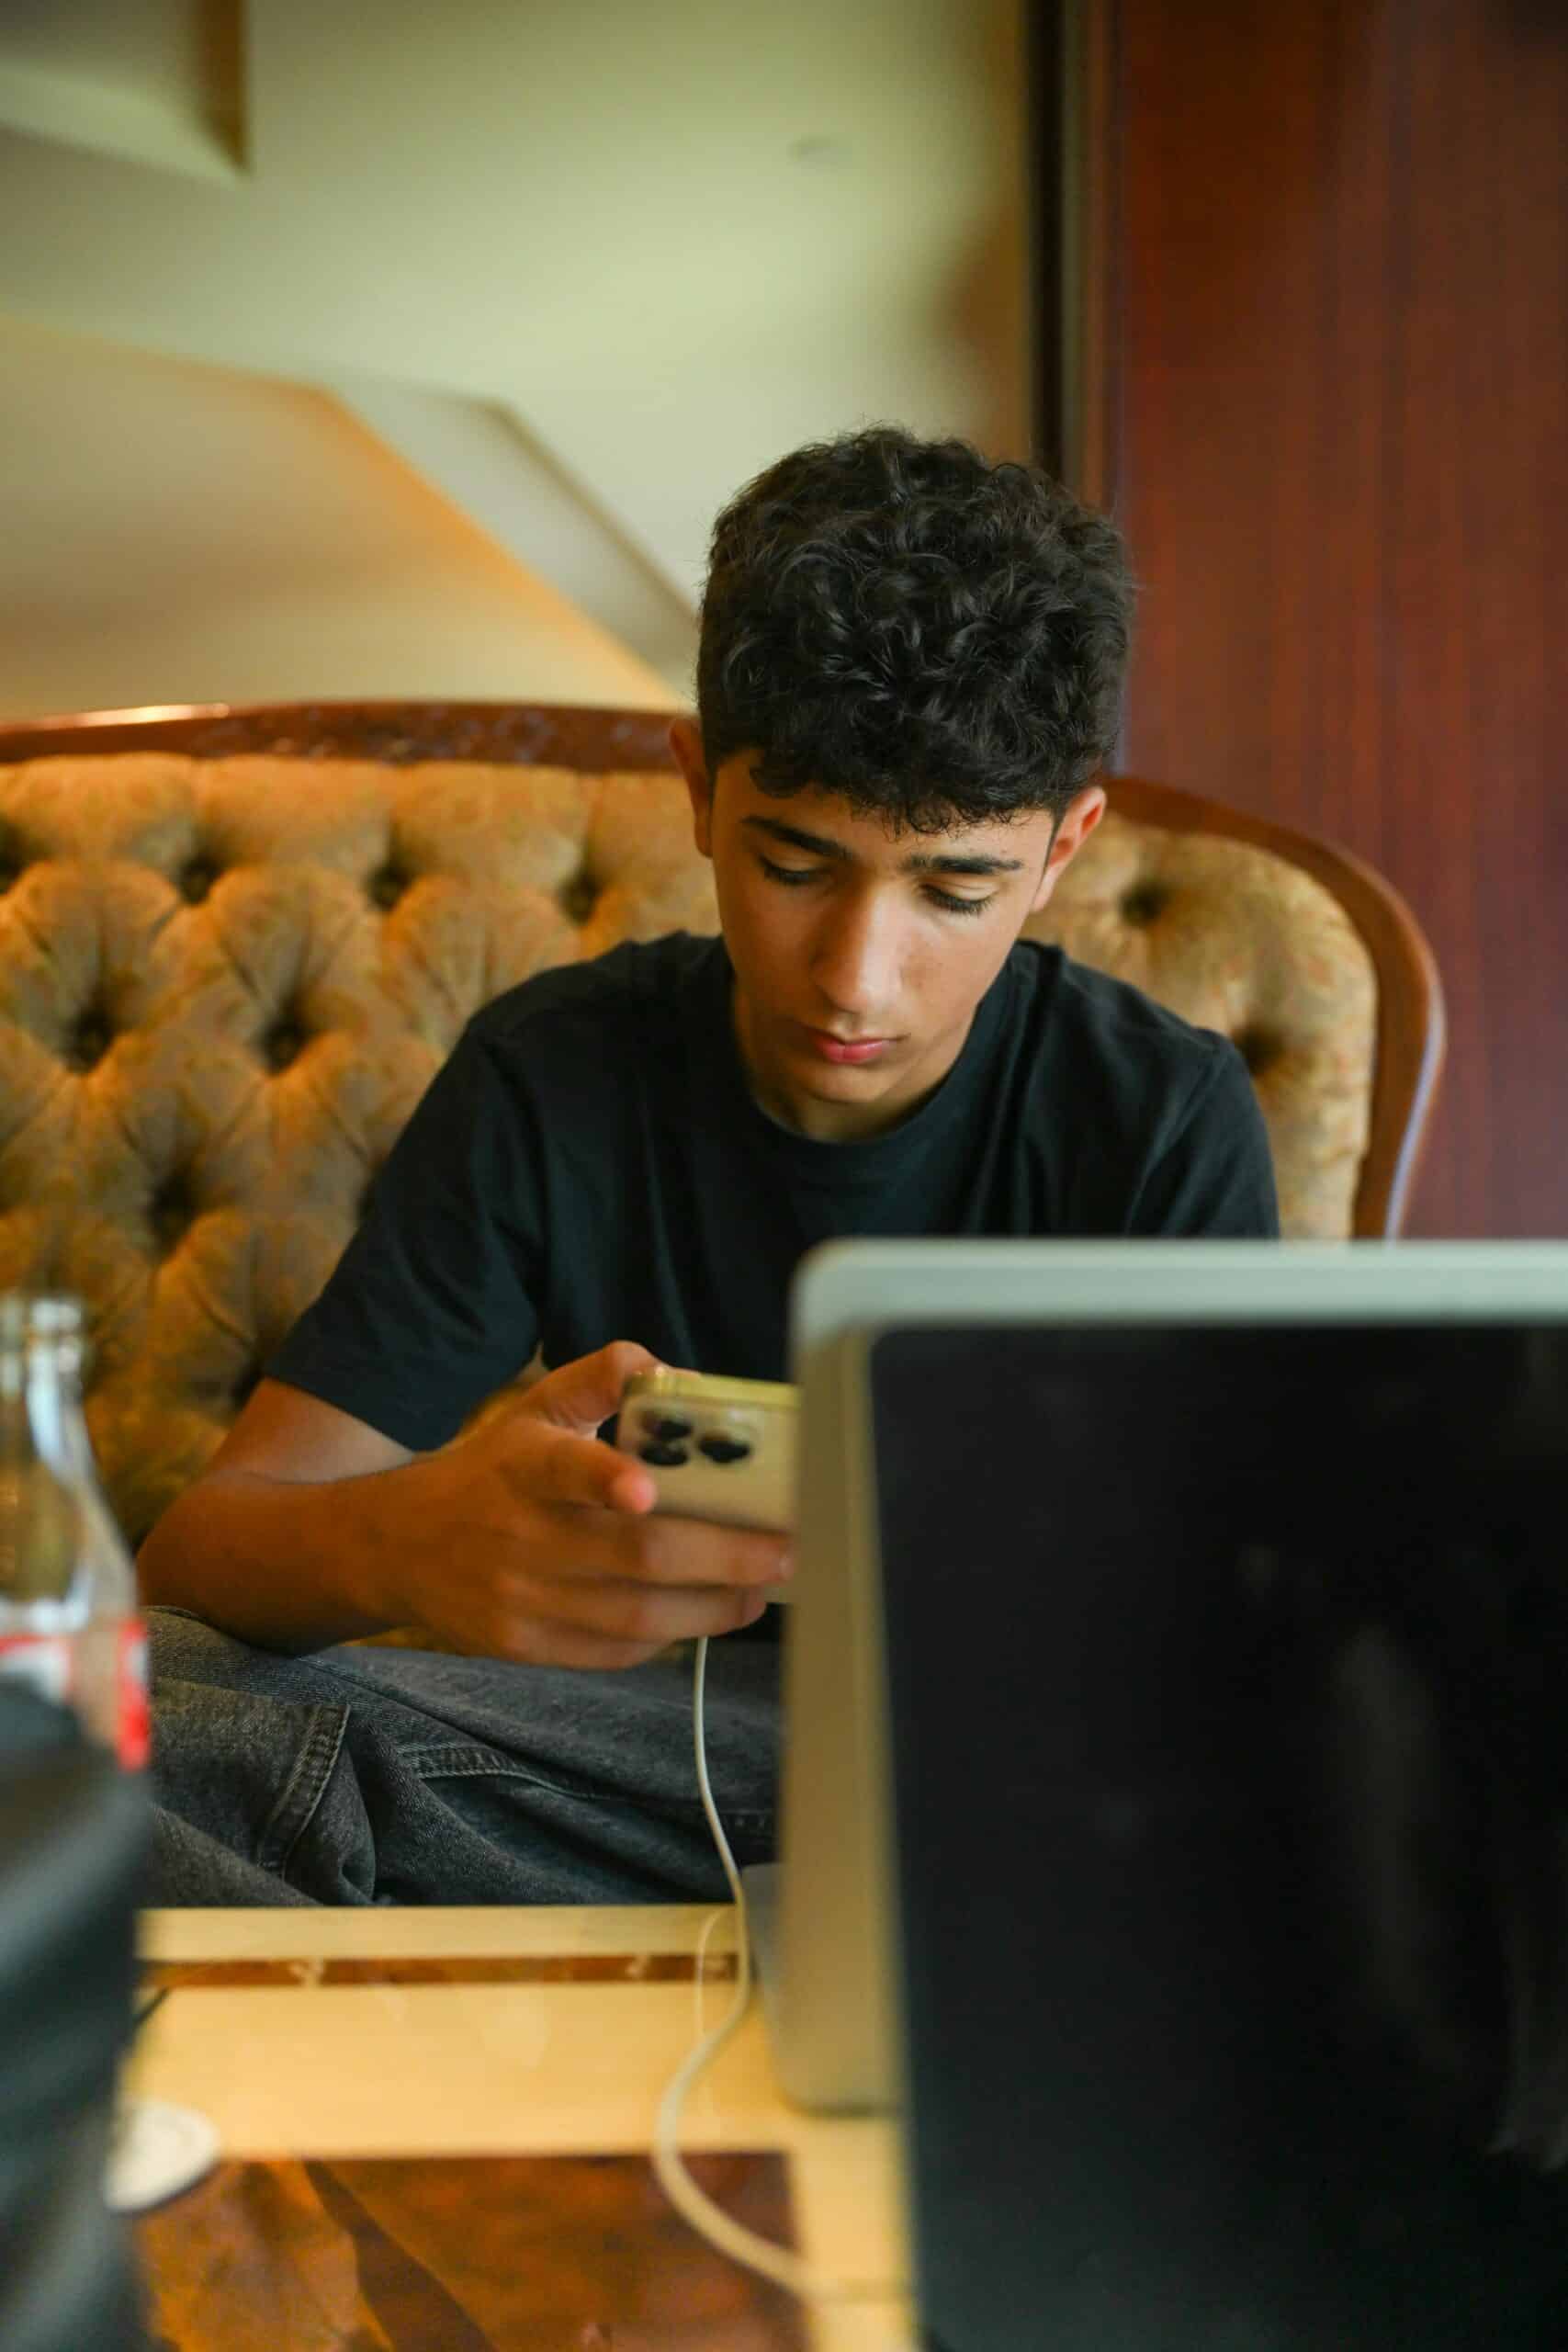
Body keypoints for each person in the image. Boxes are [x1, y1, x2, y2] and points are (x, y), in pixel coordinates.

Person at [139, 424, 1279, 1905]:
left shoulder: (1160, 1118)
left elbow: (1240, 1644)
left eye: (956, 888)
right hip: (631, 1771)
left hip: (1032, 1796)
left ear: (1065, 850)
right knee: (102, 1714)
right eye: (796, 865)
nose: (856, 980)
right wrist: (404, 1547)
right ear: (697, 790)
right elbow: (196, 1560)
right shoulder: (556, 1068)